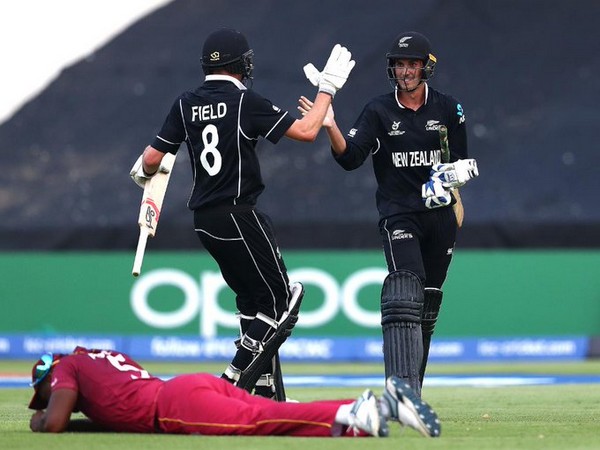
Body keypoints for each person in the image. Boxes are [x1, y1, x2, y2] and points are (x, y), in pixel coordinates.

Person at [129, 28, 355, 400]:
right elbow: (308, 130)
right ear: (240, 64)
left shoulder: (185, 104)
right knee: (283, 300)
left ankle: (264, 393)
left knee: (254, 302)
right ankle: (231, 380)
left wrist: (143, 173)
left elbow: (151, 160)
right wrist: (327, 88)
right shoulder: (245, 101)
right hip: (238, 213)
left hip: (205, 222)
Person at [299, 31, 479, 397]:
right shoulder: (379, 111)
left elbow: (461, 162)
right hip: (399, 216)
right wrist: (331, 125)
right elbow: (350, 158)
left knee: (427, 305)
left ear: (426, 67)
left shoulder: (449, 109)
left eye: (412, 64)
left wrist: (449, 178)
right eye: (399, 64)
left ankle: (413, 393)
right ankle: (399, 389)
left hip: (441, 217)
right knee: (406, 295)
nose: (405, 70)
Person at [28, 346, 441, 437]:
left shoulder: (66, 367)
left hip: (173, 406)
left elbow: (56, 422)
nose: (45, 399)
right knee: (272, 416)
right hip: (188, 385)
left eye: (43, 392)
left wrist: (39, 420)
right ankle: (373, 411)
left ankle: (356, 414)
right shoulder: (100, 357)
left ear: (49, 374)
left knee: (259, 421)